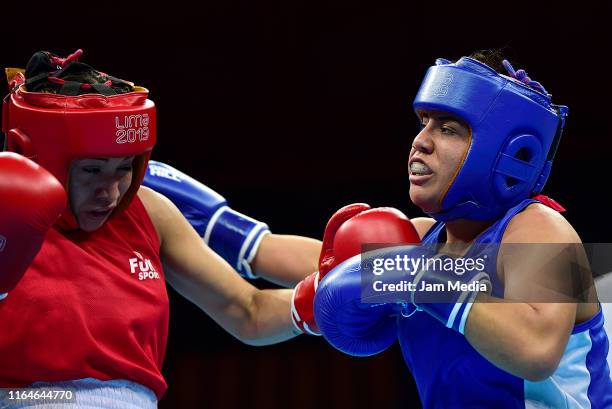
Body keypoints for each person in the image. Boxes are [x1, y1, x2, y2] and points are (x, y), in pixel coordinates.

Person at [0, 49, 323, 408]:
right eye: (92, 170)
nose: (111, 192)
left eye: (125, 168)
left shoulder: (150, 205)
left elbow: (251, 299)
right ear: (32, 153)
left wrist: (362, 285)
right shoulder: (7, 208)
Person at [312, 52, 612, 408]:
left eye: (447, 128)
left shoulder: (542, 229)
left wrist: (420, 278)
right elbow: (256, 305)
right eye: (423, 122)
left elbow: (537, 351)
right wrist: (226, 223)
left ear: (510, 151)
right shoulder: (416, 239)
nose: (420, 141)